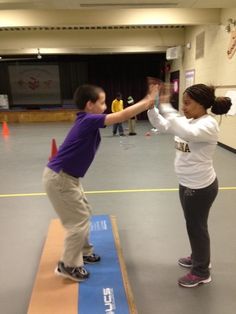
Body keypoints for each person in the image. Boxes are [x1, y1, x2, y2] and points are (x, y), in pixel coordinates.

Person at [42, 83, 157, 282]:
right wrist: (147, 101)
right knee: (77, 221)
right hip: (60, 178)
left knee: (84, 212)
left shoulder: (87, 121)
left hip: (68, 177)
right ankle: (68, 265)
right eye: (102, 103)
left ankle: (84, 252)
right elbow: (121, 116)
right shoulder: (87, 120)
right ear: (89, 105)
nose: (105, 107)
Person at [148, 83, 232, 288]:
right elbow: (163, 125)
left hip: (201, 187)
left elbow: (186, 132)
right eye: (182, 103)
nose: (183, 107)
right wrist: (151, 108)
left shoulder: (207, 124)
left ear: (202, 105)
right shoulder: (190, 120)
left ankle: (202, 271)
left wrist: (166, 104)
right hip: (186, 183)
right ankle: (198, 257)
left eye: (187, 103)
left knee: (196, 227)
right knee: (193, 224)